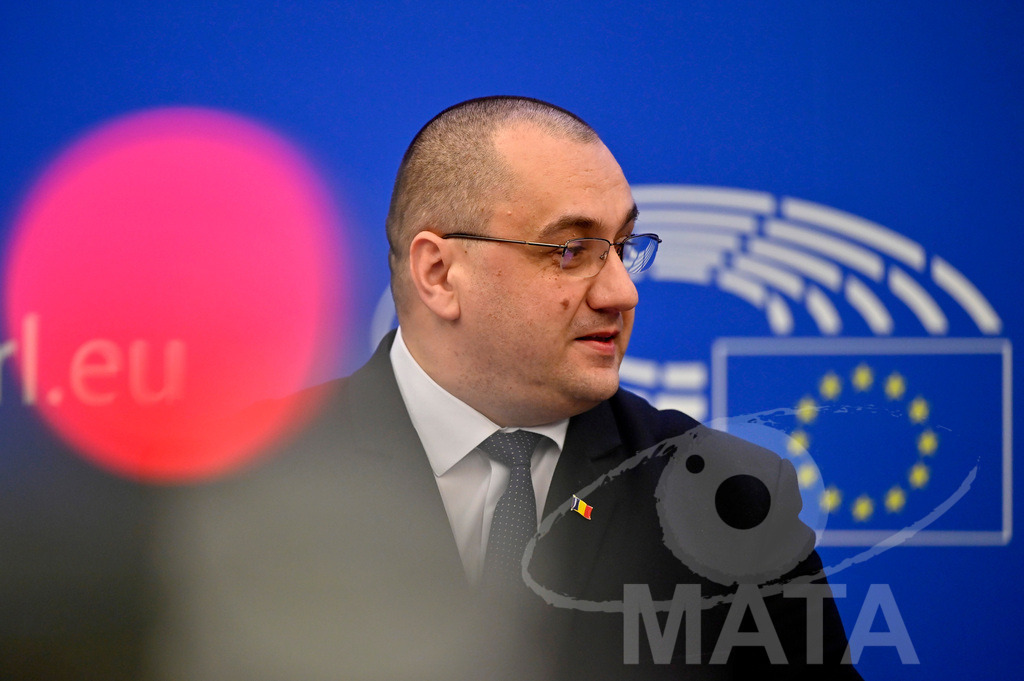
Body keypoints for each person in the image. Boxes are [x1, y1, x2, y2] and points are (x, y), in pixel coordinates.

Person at [147, 97, 861, 680]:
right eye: (571, 250)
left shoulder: (730, 501)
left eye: (624, 248)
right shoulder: (246, 478)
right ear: (438, 274)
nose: (619, 291)